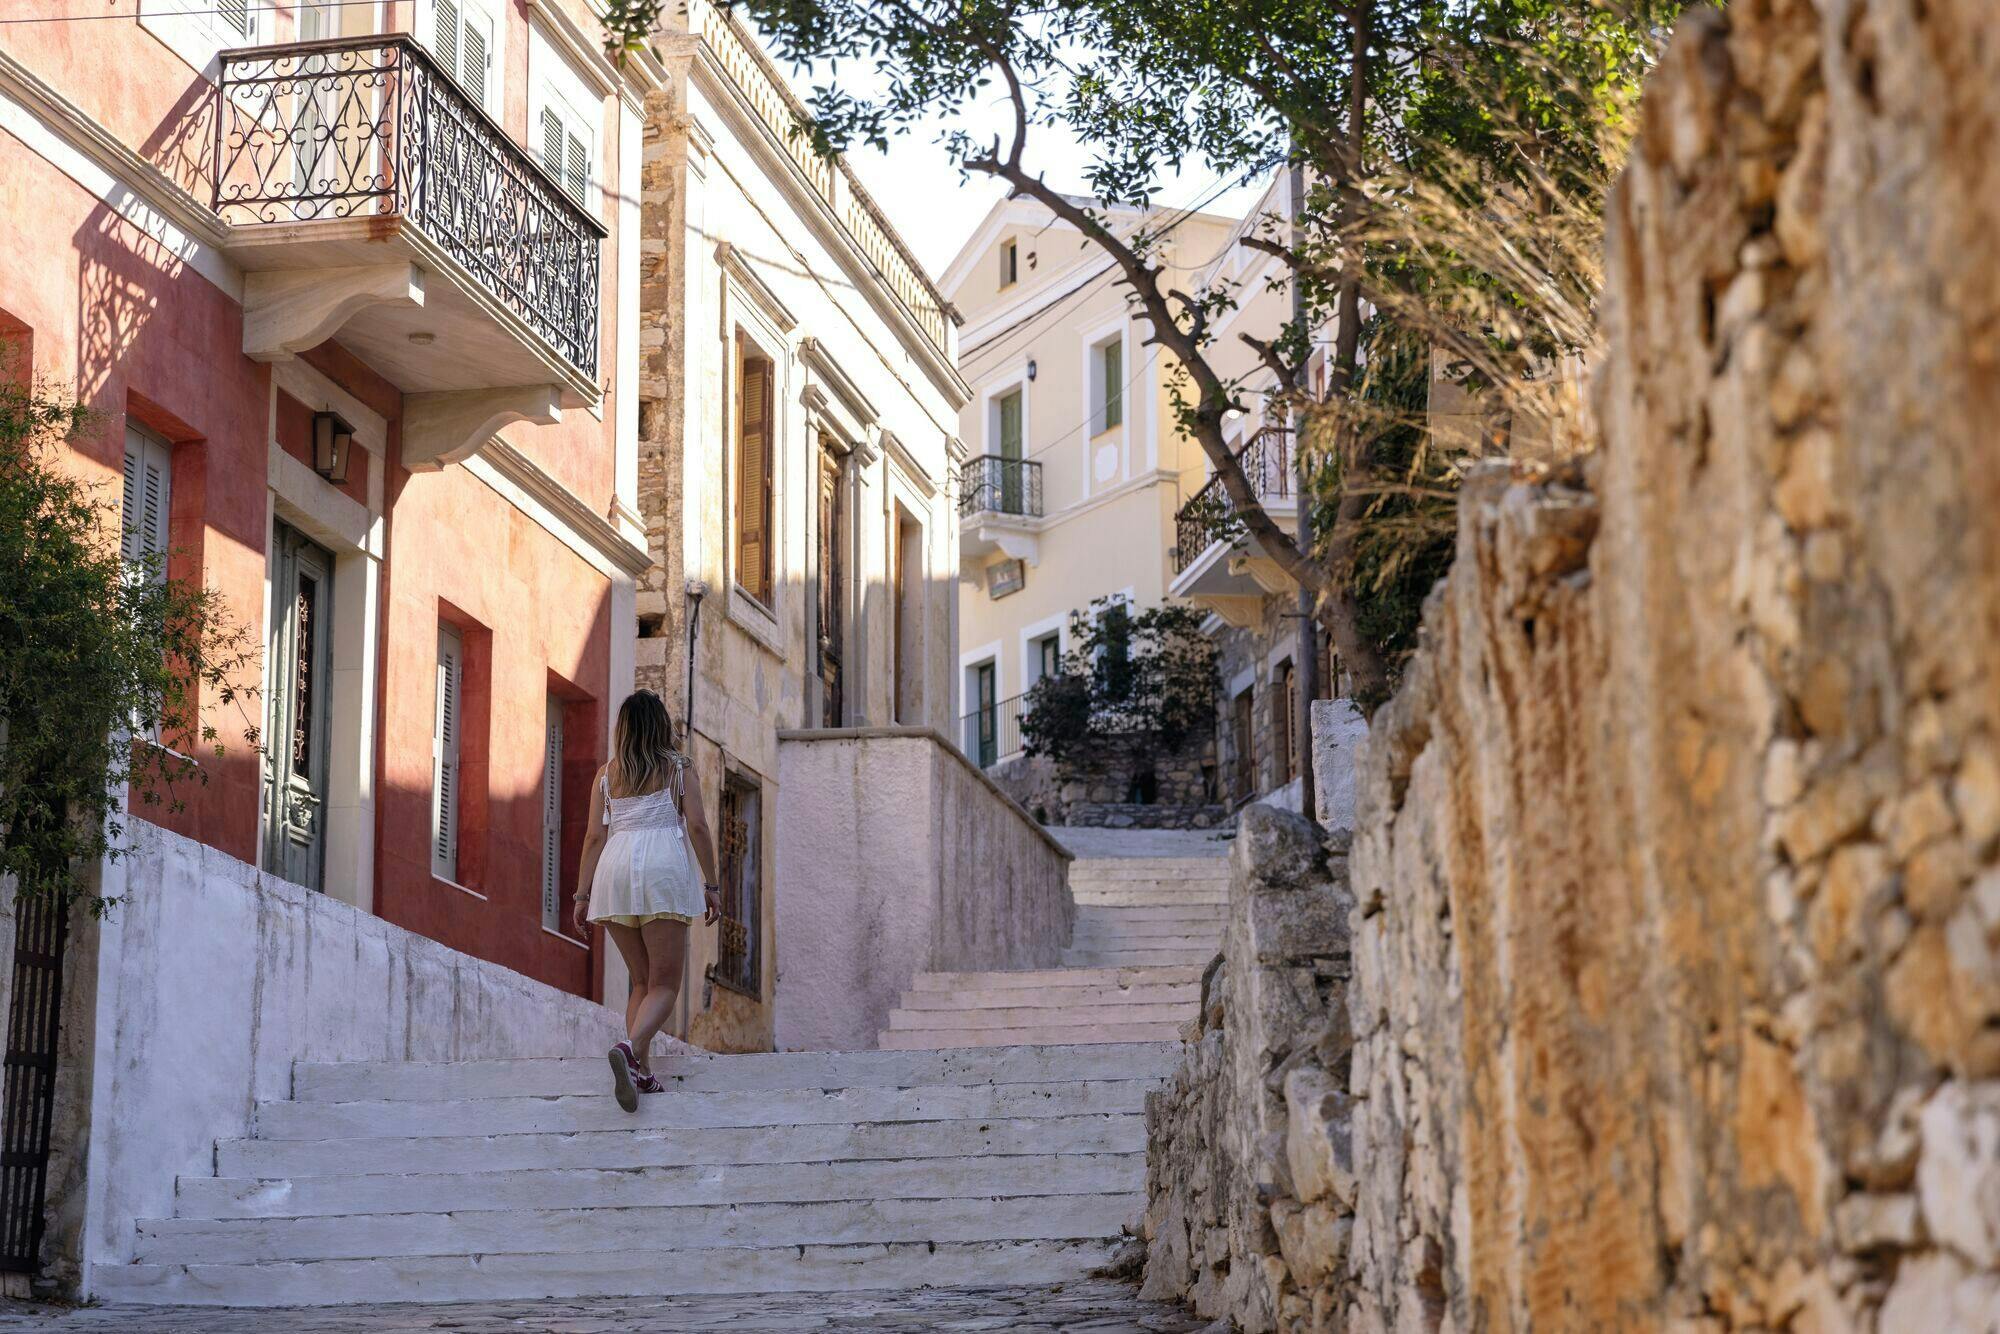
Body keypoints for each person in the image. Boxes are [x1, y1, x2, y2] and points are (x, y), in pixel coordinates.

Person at [573, 690, 722, 1112]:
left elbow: (593, 838)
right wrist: (712, 884)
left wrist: (582, 895)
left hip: (614, 872)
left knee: (640, 981)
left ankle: (641, 1072)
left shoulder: (606, 775)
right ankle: (630, 1047)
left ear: (624, 729)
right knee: (665, 984)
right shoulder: (679, 768)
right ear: (660, 726)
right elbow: (697, 826)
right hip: (662, 870)